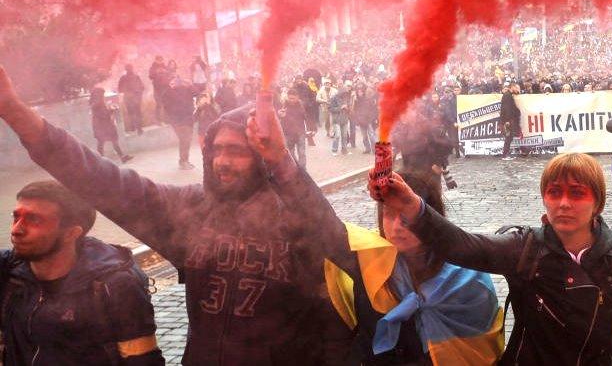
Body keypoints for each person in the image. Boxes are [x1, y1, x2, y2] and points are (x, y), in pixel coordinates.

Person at [0, 64, 351, 364]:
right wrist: (15, 111)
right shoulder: (190, 211)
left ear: (262, 158)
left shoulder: (294, 211)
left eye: (237, 151)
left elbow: (336, 245)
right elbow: (99, 178)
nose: (222, 161)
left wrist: (281, 159)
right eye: (216, 149)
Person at [370, 153, 612, 365]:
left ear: (598, 203)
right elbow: (461, 246)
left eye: (577, 193)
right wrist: (410, 205)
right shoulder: (524, 249)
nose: (564, 203)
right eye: (554, 192)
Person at [321, 168, 502, 364]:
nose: (397, 227)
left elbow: (480, 352)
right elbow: (319, 223)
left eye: (406, 216)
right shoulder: (367, 257)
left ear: (431, 217)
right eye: (389, 214)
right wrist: (283, 162)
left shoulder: (469, 278)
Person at [1, 181, 163, 365]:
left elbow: (143, 361)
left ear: (71, 233)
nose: (16, 230)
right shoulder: (10, 270)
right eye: (16, 217)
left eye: (34, 220)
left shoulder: (115, 286)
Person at [89, 87, 133, 163]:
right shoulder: (97, 104)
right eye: (102, 94)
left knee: (105, 142)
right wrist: (112, 110)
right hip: (103, 127)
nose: (103, 96)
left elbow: (103, 114)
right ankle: (100, 160)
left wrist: (110, 109)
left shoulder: (96, 103)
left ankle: (120, 157)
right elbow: (103, 115)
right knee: (103, 143)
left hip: (102, 126)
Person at [162, 76, 196, 170]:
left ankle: (184, 160)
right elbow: (165, 103)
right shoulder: (169, 92)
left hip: (187, 119)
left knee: (186, 140)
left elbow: (197, 93)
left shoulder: (187, 89)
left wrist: (190, 85)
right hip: (178, 120)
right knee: (185, 139)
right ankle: (183, 161)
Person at [280, 88, 309, 167]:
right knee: (291, 155)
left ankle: (303, 171)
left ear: (297, 97)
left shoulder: (302, 105)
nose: (291, 100)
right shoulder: (284, 105)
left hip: (300, 133)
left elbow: (307, 117)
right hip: (288, 134)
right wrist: (281, 116)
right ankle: (296, 170)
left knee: (302, 153)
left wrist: (311, 129)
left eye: (293, 98)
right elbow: (279, 120)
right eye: (289, 98)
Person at [117, 64, 145, 134]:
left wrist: (135, 93)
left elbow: (120, 89)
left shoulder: (124, 78)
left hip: (131, 98)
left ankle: (134, 127)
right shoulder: (135, 77)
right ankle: (138, 128)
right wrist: (138, 93)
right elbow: (142, 87)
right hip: (133, 98)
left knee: (132, 113)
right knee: (136, 113)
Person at [329, 81, 352, 155]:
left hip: (345, 119)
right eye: (344, 92)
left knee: (344, 136)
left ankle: (344, 150)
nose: (345, 94)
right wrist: (340, 108)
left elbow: (349, 109)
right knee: (337, 135)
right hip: (337, 119)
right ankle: (334, 150)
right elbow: (330, 108)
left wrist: (348, 108)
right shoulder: (334, 98)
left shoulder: (347, 98)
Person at [499, 84, 521, 159]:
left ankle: (505, 154)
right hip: (507, 120)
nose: (518, 89)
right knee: (508, 137)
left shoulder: (508, 95)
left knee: (509, 137)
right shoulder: (507, 95)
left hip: (508, 120)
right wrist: (507, 121)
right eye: (517, 88)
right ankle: (505, 155)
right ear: (512, 87)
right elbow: (507, 109)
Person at [147, 56, 170, 123]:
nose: (160, 61)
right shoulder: (153, 67)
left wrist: (165, 71)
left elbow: (169, 74)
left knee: (166, 103)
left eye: (161, 60)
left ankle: (167, 119)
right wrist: (156, 72)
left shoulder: (164, 66)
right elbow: (150, 77)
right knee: (159, 104)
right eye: (159, 60)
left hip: (165, 87)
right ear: (156, 60)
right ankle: (158, 120)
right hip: (157, 88)